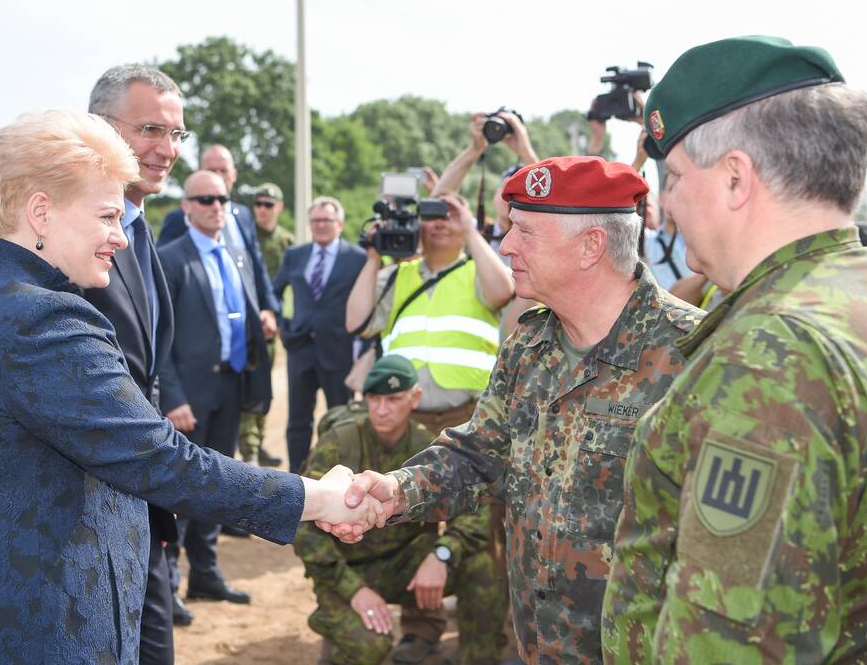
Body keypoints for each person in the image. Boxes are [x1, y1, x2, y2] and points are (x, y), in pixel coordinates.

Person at [0, 109, 382, 663]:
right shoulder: (43, 322)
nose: (121, 237)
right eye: (105, 216)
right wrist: (317, 498)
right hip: (23, 629)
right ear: (40, 212)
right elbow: (162, 459)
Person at [595, 36, 867, 663]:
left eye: (674, 177)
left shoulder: (769, 356)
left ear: (736, 177)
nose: (668, 205)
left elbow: (730, 646)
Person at [329, 156, 705, 663]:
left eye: (524, 231)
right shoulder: (528, 343)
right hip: (542, 644)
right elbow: (481, 457)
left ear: (591, 246)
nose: (506, 245)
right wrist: (396, 491)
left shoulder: (696, 354)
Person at [296, 355, 504, 665]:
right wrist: (354, 590)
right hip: (349, 569)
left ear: (415, 398)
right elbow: (303, 527)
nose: (381, 409)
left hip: (407, 564)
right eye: (374, 398)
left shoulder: (428, 446)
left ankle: (477, 657)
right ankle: (342, 637)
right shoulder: (340, 443)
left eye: (393, 399)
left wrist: (442, 556)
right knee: (368, 646)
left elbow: (478, 513)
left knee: (481, 565)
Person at [83, 62, 193, 649]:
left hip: (139, 493)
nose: (167, 149)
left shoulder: (139, 227)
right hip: (83, 510)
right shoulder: (70, 238)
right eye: (151, 130)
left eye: (177, 134)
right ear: (101, 127)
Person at [157, 169, 272, 608]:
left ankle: (205, 575)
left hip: (231, 386)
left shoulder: (236, 256)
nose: (216, 206)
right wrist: (172, 397)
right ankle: (168, 588)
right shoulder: (170, 258)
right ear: (186, 206)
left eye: (222, 198)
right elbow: (157, 339)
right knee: (182, 492)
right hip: (189, 396)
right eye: (205, 199)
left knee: (217, 485)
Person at [345, 191, 514, 436]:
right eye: (431, 216)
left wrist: (470, 230)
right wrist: (373, 257)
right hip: (405, 418)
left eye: (449, 216)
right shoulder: (396, 275)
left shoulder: (477, 271)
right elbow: (355, 323)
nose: (439, 223)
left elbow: (503, 291)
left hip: (468, 415)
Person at [273, 197, 367, 474]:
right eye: (316, 221)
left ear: (340, 224)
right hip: (300, 347)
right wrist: (280, 322)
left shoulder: (358, 258)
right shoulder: (295, 255)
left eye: (327, 220)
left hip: (340, 350)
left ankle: (339, 473)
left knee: (341, 418)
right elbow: (273, 291)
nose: (321, 226)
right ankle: (296, 478)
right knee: (298, 421)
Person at [237, 182, 295, 469]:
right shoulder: (245, 236)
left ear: (279, 208)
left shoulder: (287, 242)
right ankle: (247, 448)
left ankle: (256, 445)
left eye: (268, 205)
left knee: (263, 387)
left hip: (271, 325)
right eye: (258, 204)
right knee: (243, 386)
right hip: (245, 322)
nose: (262, 209)